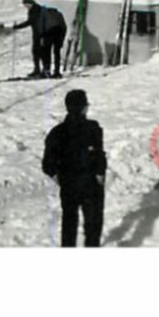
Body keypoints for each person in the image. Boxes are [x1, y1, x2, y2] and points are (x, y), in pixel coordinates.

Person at [42, 89, 106, 248]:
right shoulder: (93, 128)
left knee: (69, 223)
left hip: (69, 185)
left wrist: (59, 178)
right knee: (93, 226)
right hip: (91, 185)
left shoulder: (57, 132)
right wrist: (100, 174)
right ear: (84, 107)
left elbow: (47, 164)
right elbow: (99, 156)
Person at [13, 0, 67, 79]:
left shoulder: (34, 11)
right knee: (56, 53)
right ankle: (56, 72)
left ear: (30, 3)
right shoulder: (43, 11)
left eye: (26, 5)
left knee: (44, 52)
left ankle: (44, 71)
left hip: (47, 33)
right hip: (59, 31)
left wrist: (16, 27)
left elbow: (33, 24)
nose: (25, 7)